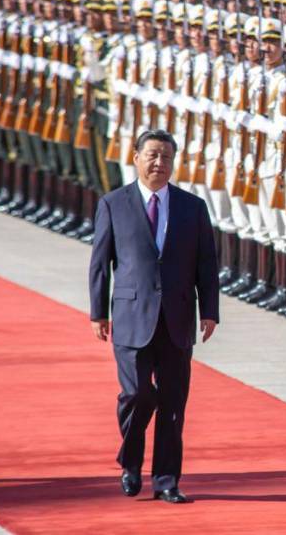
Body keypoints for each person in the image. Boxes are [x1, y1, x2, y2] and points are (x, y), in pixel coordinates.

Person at [88, 129, 220, 504]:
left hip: (177, 316)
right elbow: (100, 262)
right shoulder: (114, 204)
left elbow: (206, 263)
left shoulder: (192, 207)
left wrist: (209, 310)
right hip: (131, 316)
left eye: (166, 157)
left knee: (174, 402)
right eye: (152, 155)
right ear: (136, 158)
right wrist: (98, 311)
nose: (159, 163)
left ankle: (166, 480)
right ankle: (131, 461)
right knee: (138, 393)